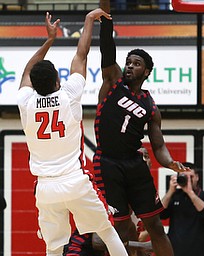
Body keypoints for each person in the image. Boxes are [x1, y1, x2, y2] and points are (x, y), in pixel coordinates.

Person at [16, 9, 128, 256]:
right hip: (75, 181)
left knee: (53, 246)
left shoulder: (25, 102)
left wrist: (49, 40)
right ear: (58, 80)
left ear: (33, 85)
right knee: (108, 232)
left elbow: (26, 71)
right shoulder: (69, 96)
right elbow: (81, 54)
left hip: (45, 188)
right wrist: (89, 20)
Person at [92, 0, 189, 255]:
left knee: (155, 226)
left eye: (136, 64)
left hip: (134, 164)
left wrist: (169, 163)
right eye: (128, 62)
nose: (129, 66)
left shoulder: (151, 106)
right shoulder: (113, 81)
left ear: (146, 71)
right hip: (108, 162)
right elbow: (107, 47)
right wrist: (106, 13)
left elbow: (158, 145)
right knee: (121, 229)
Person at [160, 162, 204, 256]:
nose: (188, 181)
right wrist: (169, 192)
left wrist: (190, 192)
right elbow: (160, 214)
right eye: (185, 177)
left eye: (191, 177)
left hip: (198, 252)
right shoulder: (175, 196)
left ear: (197, 177)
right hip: (175, 252)